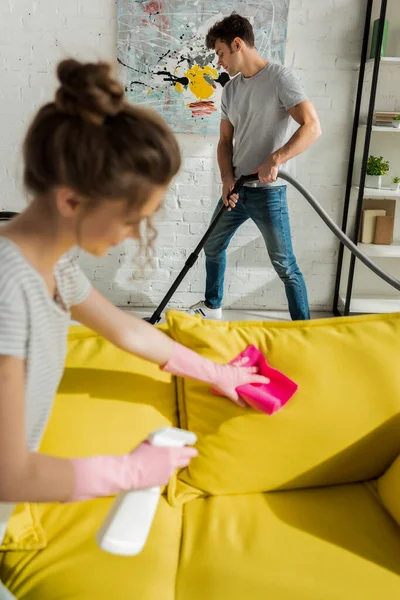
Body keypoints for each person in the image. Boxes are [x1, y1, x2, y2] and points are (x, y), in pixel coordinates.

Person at [0, 59, 270, 595]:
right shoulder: (9, 292)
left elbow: (127, 332)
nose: (132, 236)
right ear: (72, 201)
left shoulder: (52, 267)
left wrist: (217, 373)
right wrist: (131, 472)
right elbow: (8, 473)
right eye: (132, 220)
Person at [188, 13, 321, 321]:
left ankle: (304, 328)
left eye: (221, 53)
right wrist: (225, 179)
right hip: (236, 190)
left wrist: (276, 159)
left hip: (268, 192)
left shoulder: (280, 78)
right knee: (212, 246)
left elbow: (312, 127)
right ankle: (212, 307)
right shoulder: (231, 91)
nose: (219, 62)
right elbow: (224, 142)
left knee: (285, 265)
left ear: (237, 44)